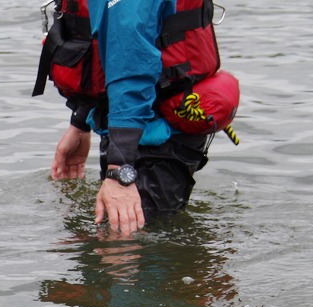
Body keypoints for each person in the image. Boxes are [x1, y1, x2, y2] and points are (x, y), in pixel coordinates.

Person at [34, 0, 240, 233]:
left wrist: (120, 172)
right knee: (127, 243)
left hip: (151, 133)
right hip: (133, 127)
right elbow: (107, 46)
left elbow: (131, 63)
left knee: (127, 249)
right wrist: (80, 123)